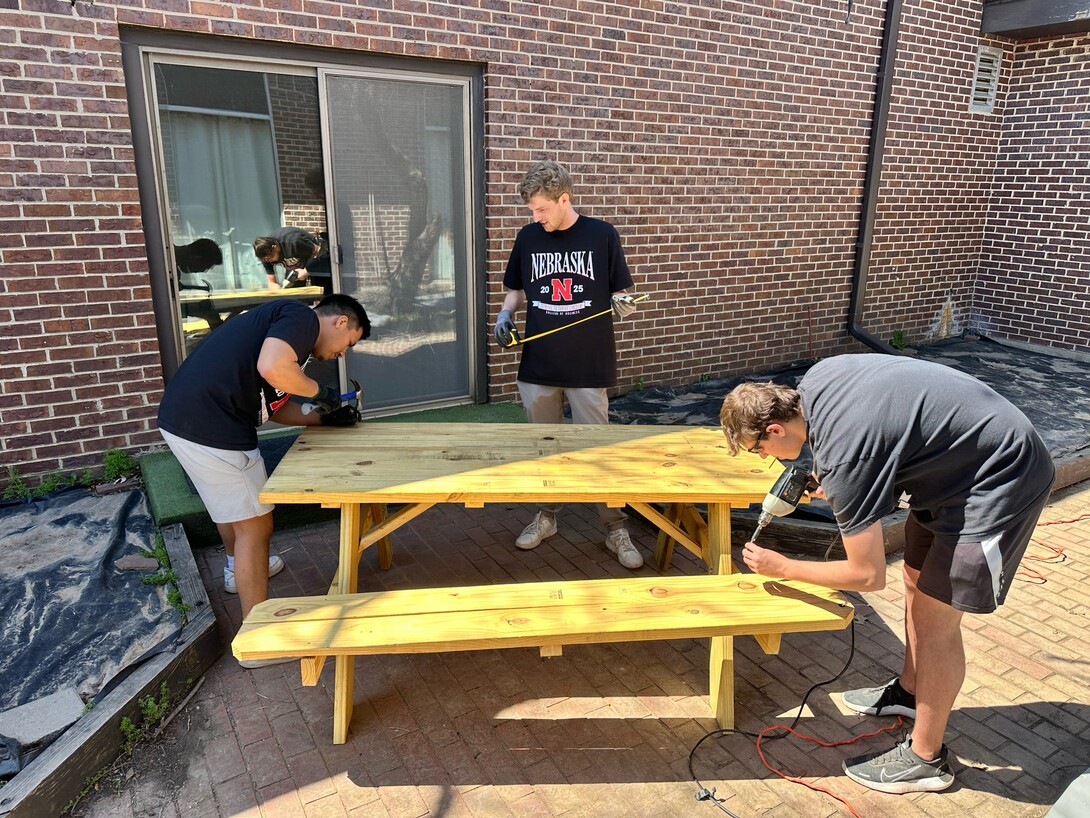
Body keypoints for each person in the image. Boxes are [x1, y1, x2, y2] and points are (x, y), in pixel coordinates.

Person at [718, 354, 1055, 794]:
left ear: (776, 429)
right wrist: (845, 476)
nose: (764, 457)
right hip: (952, 468)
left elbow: (867, 575)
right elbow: (885, 430)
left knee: (936, 626)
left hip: (1001, 478)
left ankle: (925, 759)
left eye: (758, 448)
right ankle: (910, 693)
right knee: (915, 579)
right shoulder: (815, 385)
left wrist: (783, 567)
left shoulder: (845, 460)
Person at [157, 294, 370, 667]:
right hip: (212, 428)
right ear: (340, 322)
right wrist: (322, 393)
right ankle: (259, 642)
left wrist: (324, 418)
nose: (341, 354)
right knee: (255, 526)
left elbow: (274, 407)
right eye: (348, 343)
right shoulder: (301, 318)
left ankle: (233, 570)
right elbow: (272, 368)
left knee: (233, 511)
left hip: (185, 419)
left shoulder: (287, 339)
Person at [494, 159, 644, 569]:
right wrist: (504, 315)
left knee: (597, 449)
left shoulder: (602, 234)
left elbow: (622, 293)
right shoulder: (528, 237)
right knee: (544, 448)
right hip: (539, 363)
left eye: (542, 209)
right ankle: (547, 515)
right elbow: (515, 291)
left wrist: (624, 304)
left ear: (564, 199)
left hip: (588, 364)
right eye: (532, 211)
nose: (536, 217)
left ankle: (614, 527)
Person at [253, 227, 325, 290]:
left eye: (271, 257)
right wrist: (278, 292)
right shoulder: (265, 256)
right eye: (266, 260)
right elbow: (271, 282)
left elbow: (319, 252)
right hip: (292, 264)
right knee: (292, 289)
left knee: (320, 285)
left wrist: (307, 271)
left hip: (308, 253)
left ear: (274, 248)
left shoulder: (294, 242)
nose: (270, 261)